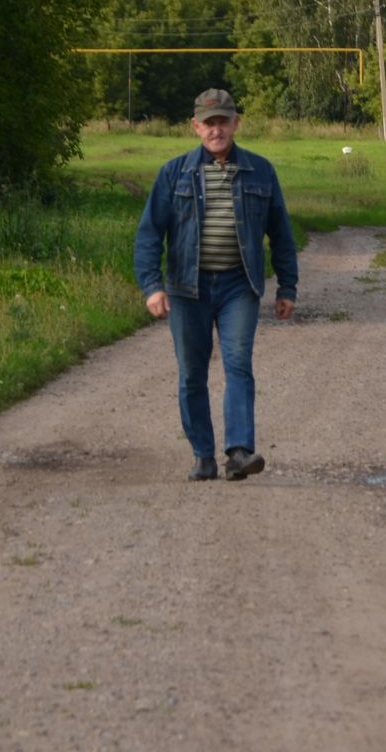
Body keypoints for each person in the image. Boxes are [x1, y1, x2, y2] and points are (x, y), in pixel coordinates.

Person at [133, 89, 299, 482]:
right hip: (186, 290)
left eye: (223, 121)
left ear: (236, 123)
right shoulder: (174, 173)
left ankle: (239, 452)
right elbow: (149, 235)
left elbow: (282, 234)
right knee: (192, 373)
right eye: (209, 123)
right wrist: (152, 286)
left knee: (238, 364)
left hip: (238, 287)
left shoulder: (261, 171)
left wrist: (287, 287)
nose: (216, 130)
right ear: (196, 127)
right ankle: (203, 455)